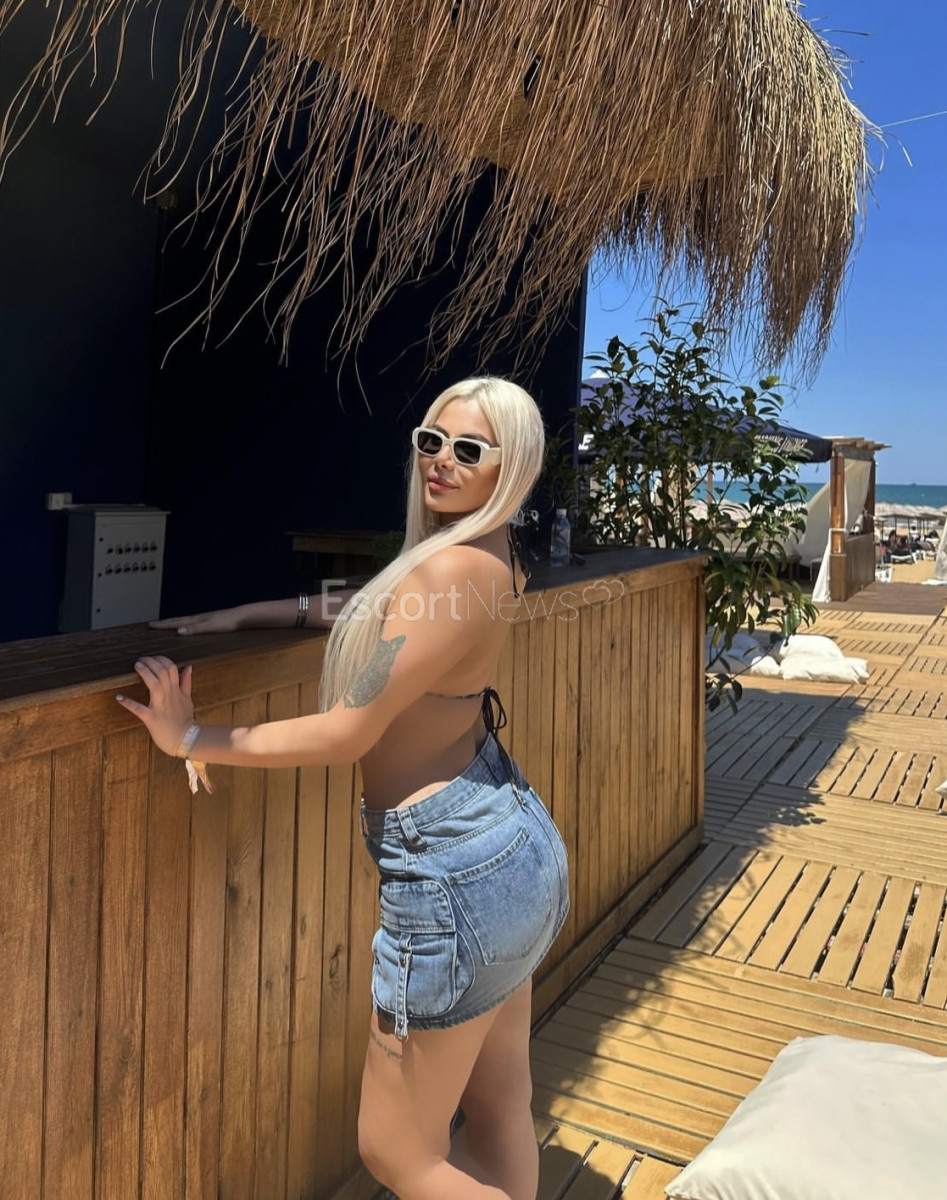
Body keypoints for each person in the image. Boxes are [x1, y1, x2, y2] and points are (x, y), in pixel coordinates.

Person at [117, 376, 570, 1200]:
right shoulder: (492, 555)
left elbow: (343, 732)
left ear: (514, 467)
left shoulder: (449, 567)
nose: (440, 461)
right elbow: (380, 612)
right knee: (500, 1103)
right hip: (509, 842)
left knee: (397, 1154)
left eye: (468, 450)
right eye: (430, 441)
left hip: (453, 873)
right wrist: (253, 613)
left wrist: (189, 737)